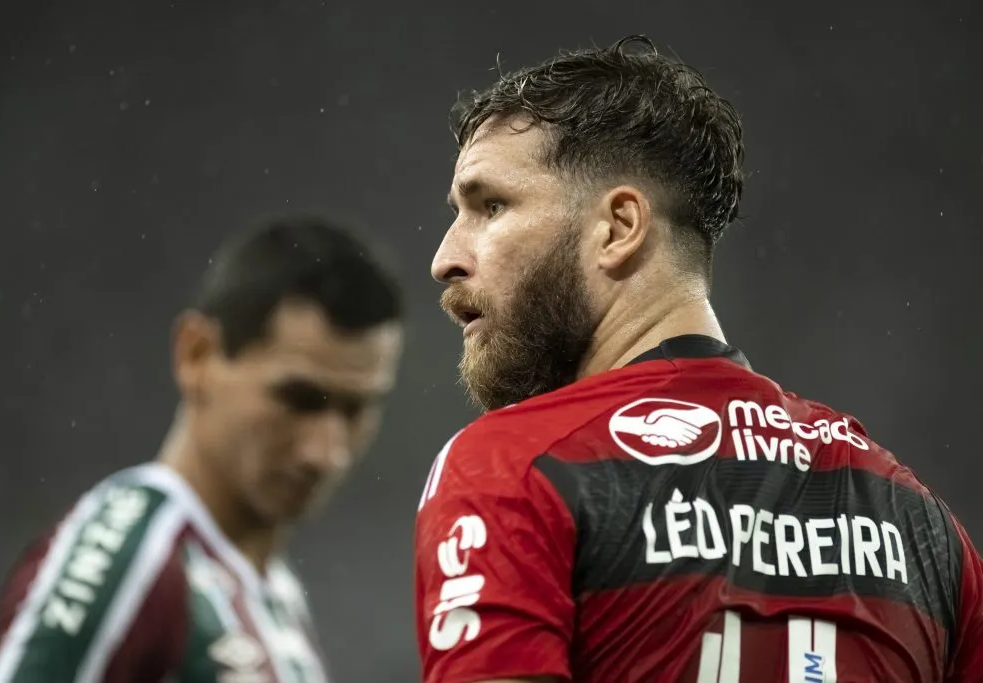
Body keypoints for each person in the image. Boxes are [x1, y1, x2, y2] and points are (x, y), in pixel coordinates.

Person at [413, 35, 983, 683]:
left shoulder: (513, 468)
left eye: (490, 206)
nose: (444, 257)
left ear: (619, 226)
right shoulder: (916, 519)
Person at [0, 216, 404, 683]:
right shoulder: (131, 559)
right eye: (296, 400)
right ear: (196, 355)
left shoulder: (277, 596)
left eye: (355, 410)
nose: (326, 453)